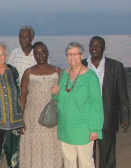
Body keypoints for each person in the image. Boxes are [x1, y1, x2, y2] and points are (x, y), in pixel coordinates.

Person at [51, 42, 104, 168]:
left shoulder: (90, 76)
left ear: (82, 55)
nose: (72, 57)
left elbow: (96, 103)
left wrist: (94, 128)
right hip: (65, 127)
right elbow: (61, 98)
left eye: (75, 54)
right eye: (69, 54)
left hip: (83, 127)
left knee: (86, 163)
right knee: (69, 162)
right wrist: (55, 93)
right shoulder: (64, 73)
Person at [82, 36, 130, 168]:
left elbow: (122, 94)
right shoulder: (81, 66)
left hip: (107, 117)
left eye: (97, 45)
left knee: (107, 155)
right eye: (92, 45)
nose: (94, 48)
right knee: (87, 155)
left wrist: (125, 116)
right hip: (86, 118)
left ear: (104, 48)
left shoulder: (116, 66)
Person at [19, 41, 62, 168]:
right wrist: (20, 119)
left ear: (47, 53)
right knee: (34, 147)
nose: (40, 55)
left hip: (52, 117)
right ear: (34, 55)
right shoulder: (28, 73)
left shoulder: (57, 71)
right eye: (37, 53)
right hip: (32, 118)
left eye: (43, 52)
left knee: (51, 144)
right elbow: (23, 96)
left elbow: (65, 96)